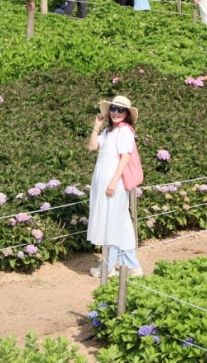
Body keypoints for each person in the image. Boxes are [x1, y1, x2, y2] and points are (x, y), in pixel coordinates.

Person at [87, 95, 144, 278]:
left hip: (113, 180)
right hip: (102, 178)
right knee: (119, 222)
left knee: (112, 221)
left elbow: (125, 158)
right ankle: (131, 265)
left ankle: (109, 265)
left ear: (126, 114)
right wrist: (97, 125)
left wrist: (113, 181)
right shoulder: (108, 131)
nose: (116, 113)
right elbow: (92, 147)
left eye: (120, 110)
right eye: (113, 108)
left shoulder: (125, 131)